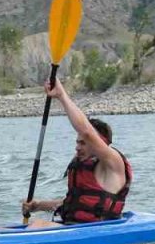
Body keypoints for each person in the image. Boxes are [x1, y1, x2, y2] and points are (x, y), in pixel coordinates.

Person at [22, 78, 132, 228]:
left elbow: (86, 132)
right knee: (1, 229)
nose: (77, 148)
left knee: (39, 225)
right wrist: (38, 205)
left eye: (83, 143)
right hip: (75, 227)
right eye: (77, 142)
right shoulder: (83, 164)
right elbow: (74, 203)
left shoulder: (112, 162)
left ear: (100, 142)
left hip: (99, 231)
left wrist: (61, 95)